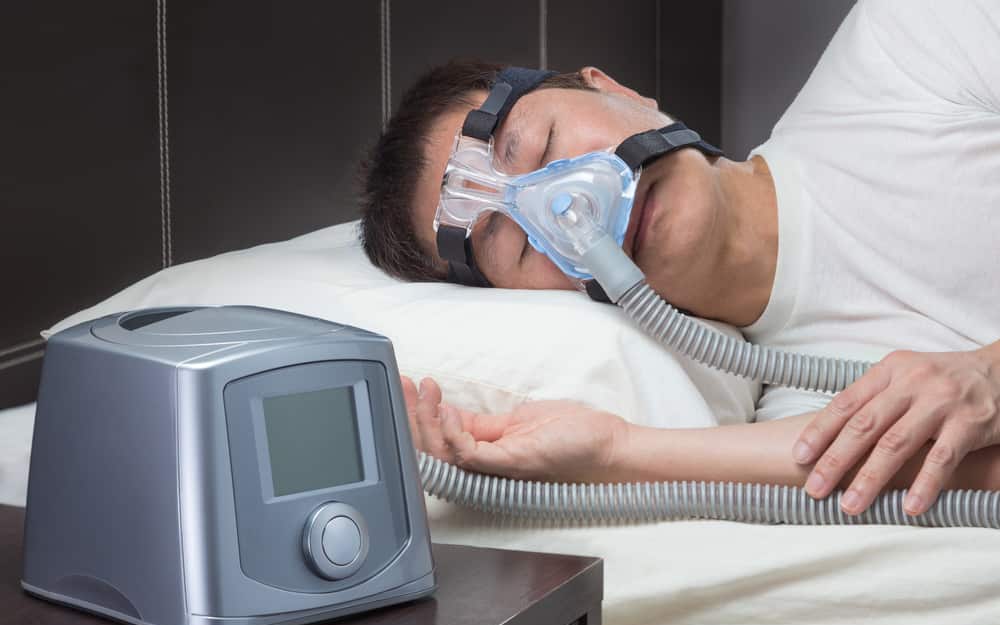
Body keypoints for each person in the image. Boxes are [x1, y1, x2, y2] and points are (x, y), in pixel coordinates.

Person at [358, 0, 1000, 517]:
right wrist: (613, 452)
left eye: (544, 142)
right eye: (519, 243)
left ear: (615, 90)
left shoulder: (913, 48)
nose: (569, 202)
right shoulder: (806, 413)